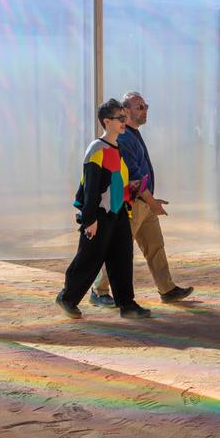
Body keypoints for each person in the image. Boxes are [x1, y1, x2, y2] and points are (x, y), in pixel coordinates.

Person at [89, 92, 194, 307]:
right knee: (118, 248)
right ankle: (98, 291)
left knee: (155, 246)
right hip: (132, 205)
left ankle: (167, 289)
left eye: (146, 106)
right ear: (125, 111)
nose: (144, 110)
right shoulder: (125, 138)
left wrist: (151, 201)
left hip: (144, 203)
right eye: (139, 107)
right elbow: (134, 175)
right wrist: (152, 202)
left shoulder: (132, 134)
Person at [55, 99, 152, 320]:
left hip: (117, 214)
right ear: (107, 122)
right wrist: (90, 220)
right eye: (120, 118)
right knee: (89, 258)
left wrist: (131, 190)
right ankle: (67, 298)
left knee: (122, 259)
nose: (124, 121)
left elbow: (116, 182)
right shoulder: (97, 149)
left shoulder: (116, 148)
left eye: (124, 118)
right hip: (99, 215)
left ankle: (127, 304)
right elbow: (90, 189)